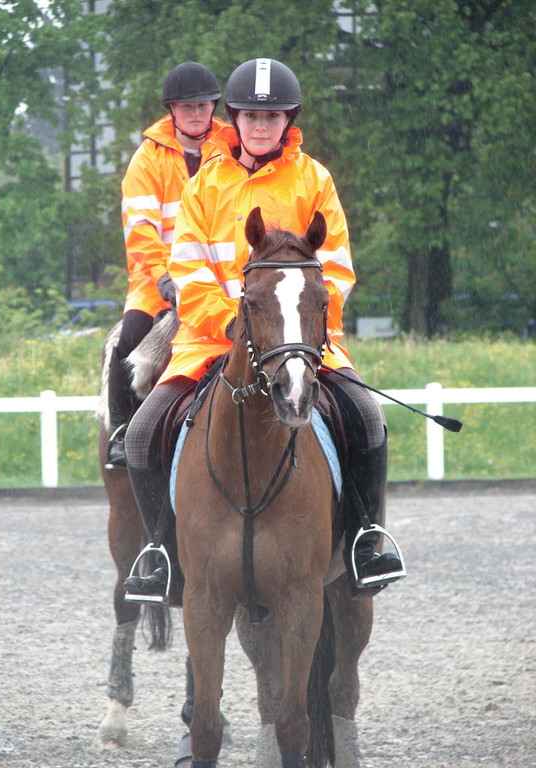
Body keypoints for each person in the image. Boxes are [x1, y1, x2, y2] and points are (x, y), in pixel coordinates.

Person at [123, 58, 404, 600]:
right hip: (211, 344)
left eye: (271, 117)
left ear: (288, 121)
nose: (259, 126)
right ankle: (160, 552)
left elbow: (337, 271)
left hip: (299, 345)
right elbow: (187, 268)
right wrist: (229, 324)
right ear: (234, 117)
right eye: (250, 115)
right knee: (140, 433)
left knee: (368, 419)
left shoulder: (314, 180)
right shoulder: (203, 186)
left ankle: (366, 539)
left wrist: (301, 333)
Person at [104, 61, 229, 470]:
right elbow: (139, 228)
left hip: (217, 276)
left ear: (213, 106)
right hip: (155, 282)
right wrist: (163, 277)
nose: (197, 113)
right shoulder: (148, 159)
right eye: (187, 106)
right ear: (171, 109)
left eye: (204, 105)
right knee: (128, 343)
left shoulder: (231, 144)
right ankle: (122, 432)